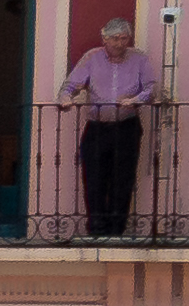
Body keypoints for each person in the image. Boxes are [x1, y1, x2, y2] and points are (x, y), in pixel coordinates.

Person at [63, 16, 155, 243]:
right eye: (115, 39)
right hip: (97, 128)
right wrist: (66, 98)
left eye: (124, 38)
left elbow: (151, 88)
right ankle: (97, 229)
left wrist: (135, 100)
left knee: (122, 179)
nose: (120, 43)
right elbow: (71, 85)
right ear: (104, 38)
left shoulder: (139, 59)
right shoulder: (91, 58)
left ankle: (116, 231)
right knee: (94, 178)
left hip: (127, 126)